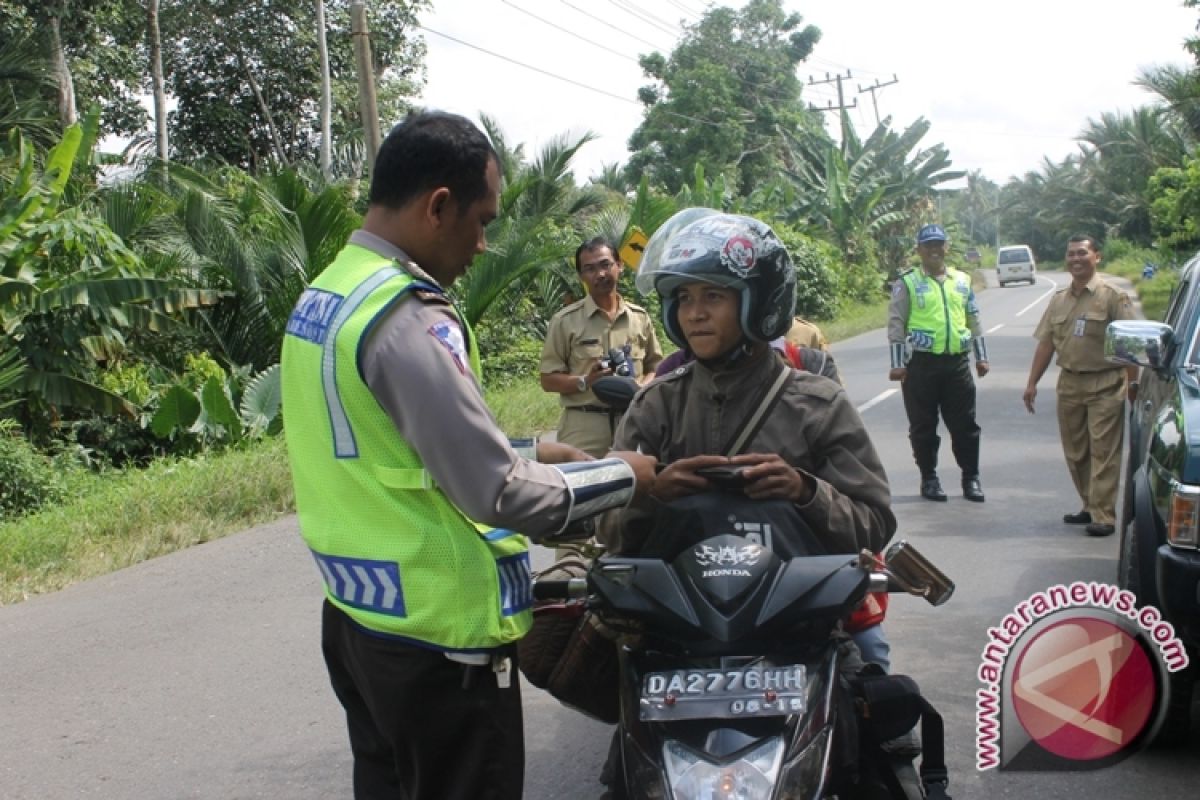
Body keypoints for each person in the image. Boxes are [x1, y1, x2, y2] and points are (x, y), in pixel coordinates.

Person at [279, 110, 656, 800]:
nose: (483, 244)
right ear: (438, 206)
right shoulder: (409, 315)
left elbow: (383, 439)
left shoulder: (332, 292)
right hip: (440, 640)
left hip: (359, 620)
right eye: (481, 220)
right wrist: (621, 475)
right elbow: (502, 495)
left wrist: (533, 448)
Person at [610, 208, 896, 655]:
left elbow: (873, 527)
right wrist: (652, 493)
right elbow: (609, 533)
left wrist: (805, 491)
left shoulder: (818, 404)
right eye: (684, 298)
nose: (695, 314)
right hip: (679, 639)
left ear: (759, 305)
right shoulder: (654, 406)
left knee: (878, 693)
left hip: (798, 634)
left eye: (713, 297)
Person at [1023, 235, 1138, 537]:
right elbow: (1046, 344)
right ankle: (1089, 504)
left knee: (1103, 451)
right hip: (1070, 384)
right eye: (1071, 253)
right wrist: (1032, 383)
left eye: (1082, 253)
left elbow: (1129, 345)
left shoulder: (1112, 296)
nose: (1076, 259)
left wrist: (1134, 384)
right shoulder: (1059, 299)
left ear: (1096, 256)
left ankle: (1104, 515)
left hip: (1106, 383)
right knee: (1076, 452)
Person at [888, 224, 989, 503]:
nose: (934, 249)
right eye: (928, 245)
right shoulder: (907, 282)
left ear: (946, 247)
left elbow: (974, 319)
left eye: (939, 244)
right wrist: (898, 364)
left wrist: (982, 357)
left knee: (965, 425)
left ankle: (971, 478)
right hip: (920, 366)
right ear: (919, 249)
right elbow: (896, 323)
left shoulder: (962, 281)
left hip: (957, 364)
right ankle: (929, 479)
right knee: (923, 426)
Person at [539, 237, 664, 457]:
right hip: (584, 425)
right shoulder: (564, 321)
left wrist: (641, 388)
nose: (600, 274)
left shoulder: (639, 318)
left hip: (633, 421)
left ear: (620, 266)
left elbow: (657, 367)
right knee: (583, 486)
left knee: (638, 485)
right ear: (581, 276)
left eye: (606, 265)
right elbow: (548, 380)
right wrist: (586, 381)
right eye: (590, 269)